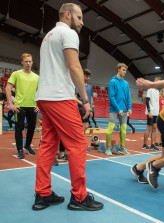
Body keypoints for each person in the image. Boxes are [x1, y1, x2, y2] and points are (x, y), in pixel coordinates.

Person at [33, 3, 103, 211]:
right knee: (78, 145)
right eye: (79, 17)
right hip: (59, 98)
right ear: (67, 15)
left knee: (48, 144)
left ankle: (43, 194)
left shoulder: (48, 37)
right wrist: (85, 99)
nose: (82, 22)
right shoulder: (68, 33)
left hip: (44, 97)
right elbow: (74, 67)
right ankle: (79, 198)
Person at [6, 53, 39, 159]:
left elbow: (40, 91)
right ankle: (19, 149)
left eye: (30, 61)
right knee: (19, 129)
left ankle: (27, 146)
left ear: (32, 62)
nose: (28, 63)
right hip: (19, 106)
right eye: (26, 61)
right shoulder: (16, 74)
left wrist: (39, 105)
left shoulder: (36, 77)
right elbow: (8, 88)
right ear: (22, 62)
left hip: (32, 106)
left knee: (32, 128)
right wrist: (10, 104)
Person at [105, 63, 132, 156]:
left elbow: (128, 96)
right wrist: (118, 109)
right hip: (114, 109)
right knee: (110, 129)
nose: (125, 72)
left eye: (125, 70)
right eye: (123, 70)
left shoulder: (126, 83)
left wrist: (130, 107)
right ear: (118, 69)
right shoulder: (112, 82)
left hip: (124, 109)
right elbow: (111, 97)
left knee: (123, 129)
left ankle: (122, 148)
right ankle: (108, 148)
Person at [142, 76, 161, 151]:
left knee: (154, 128)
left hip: (156, 113)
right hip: (151, 112)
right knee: (149, 128)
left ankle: (152, 144)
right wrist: (149, 111)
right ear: (155, 81)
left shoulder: (158, 91)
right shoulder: (150, 90)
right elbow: (147, 101)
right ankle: (144, 144)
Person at [74, 68, 93, 139]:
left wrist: (90, 109)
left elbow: (91, 98)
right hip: (80, 109)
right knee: (82, 126)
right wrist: (83, 104)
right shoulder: (78, 85)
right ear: (82, 75)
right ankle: (78, 141)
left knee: (86, 126)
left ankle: (79, 140)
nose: (88, 78)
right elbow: (75, 98)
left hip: (87, 109)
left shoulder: (90, 87)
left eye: (89, 77)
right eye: (86, 76)